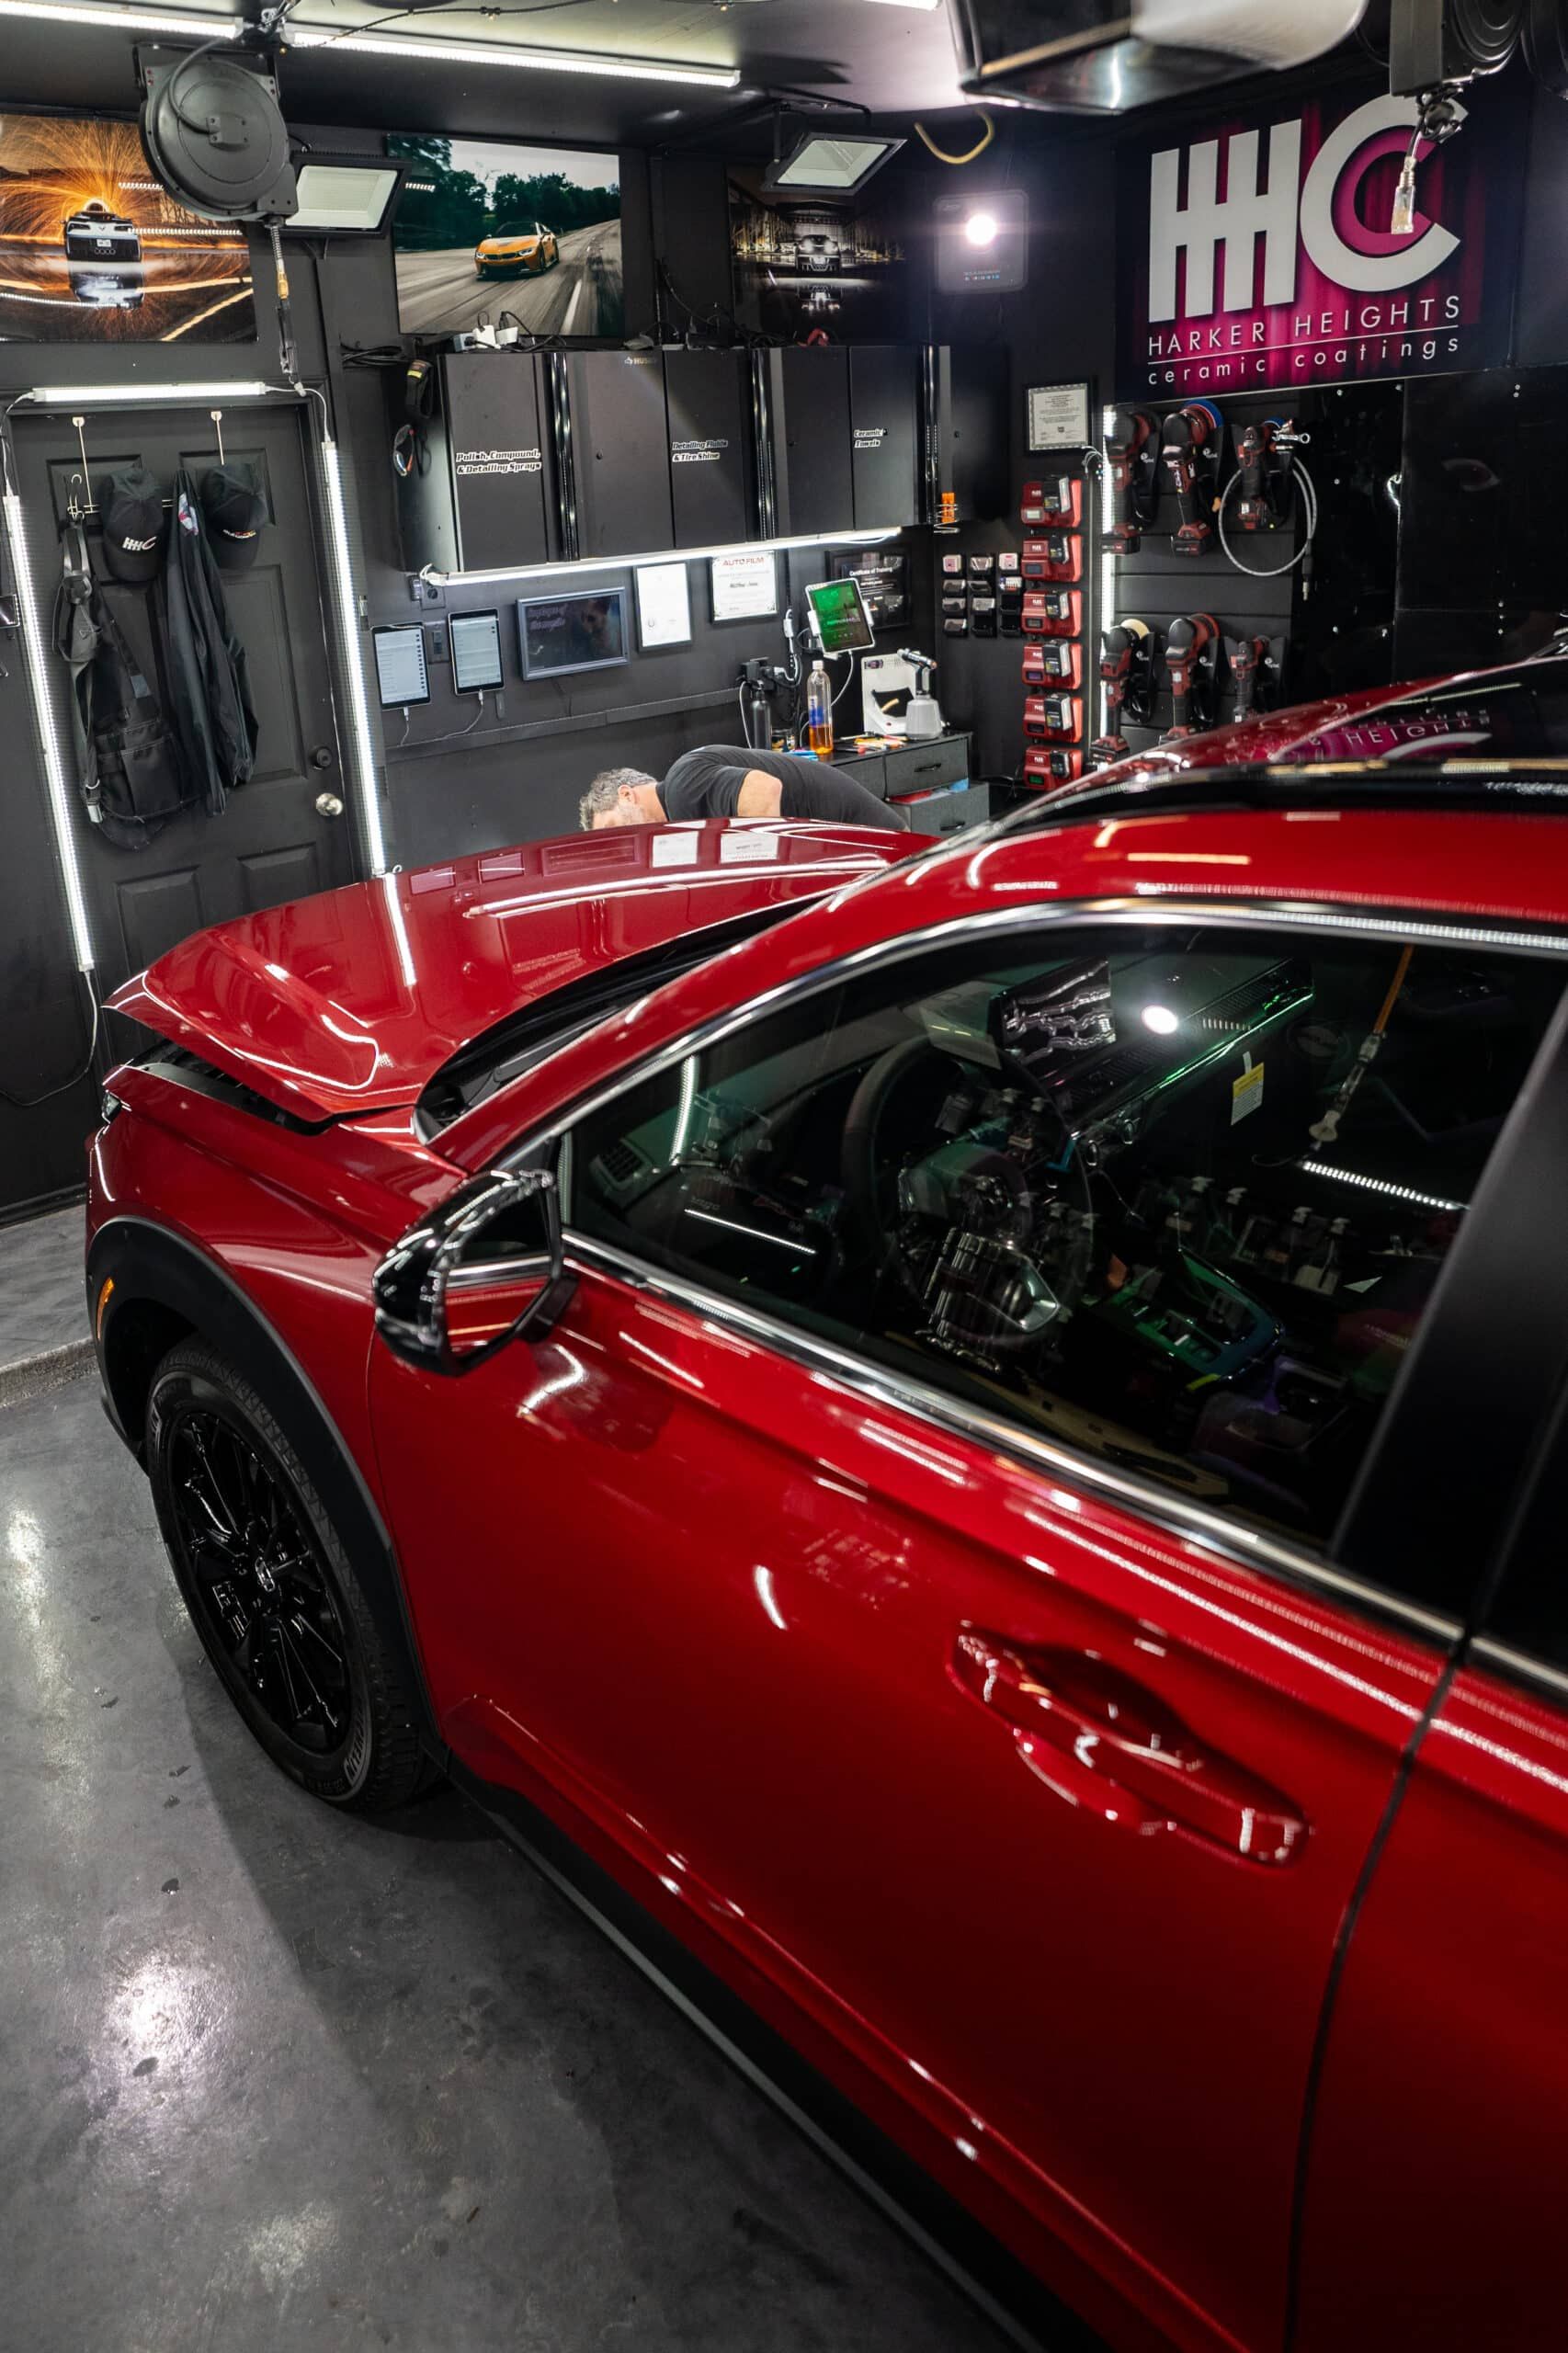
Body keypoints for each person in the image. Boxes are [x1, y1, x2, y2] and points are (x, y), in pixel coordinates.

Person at [579, 742, 903, 830]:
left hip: (878, 844)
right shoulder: (681, 814)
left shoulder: (682, 786)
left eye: (611, 827)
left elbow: (764, 790)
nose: (620, 840)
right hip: (859, 850)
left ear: (626, 794)